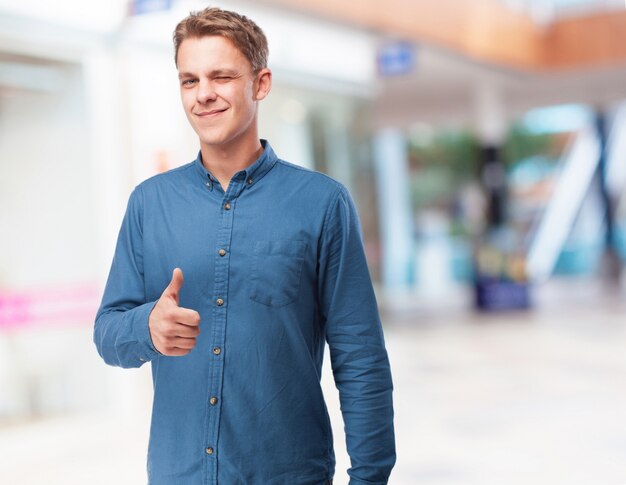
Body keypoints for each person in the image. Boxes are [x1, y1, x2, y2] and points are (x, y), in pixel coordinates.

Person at [94, 7, 395, 485]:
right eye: (189, 80)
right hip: (178, 474)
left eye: (221, 76)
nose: (204, 94)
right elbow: (108, 335)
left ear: (261, 83)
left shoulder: (322, 203)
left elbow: (360, 357)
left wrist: (370, 477)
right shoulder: (149, 204)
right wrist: (145, 326)